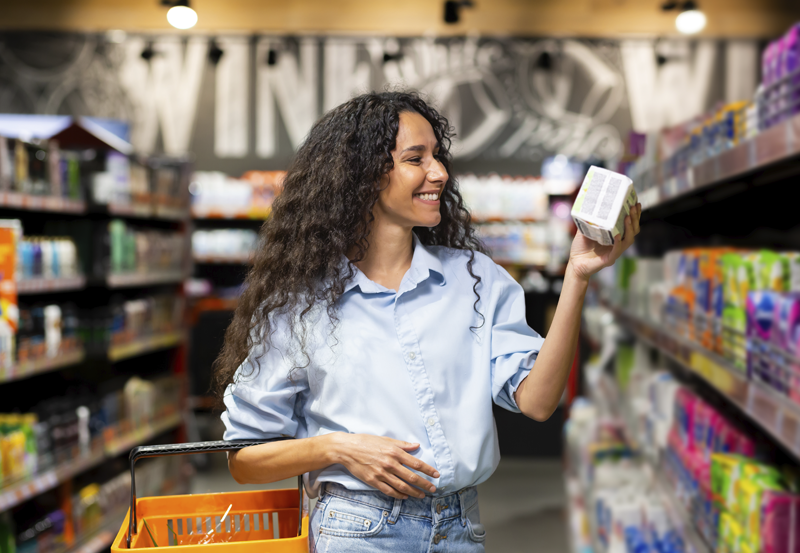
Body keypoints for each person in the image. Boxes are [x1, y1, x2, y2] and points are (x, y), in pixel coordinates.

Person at [214, 91, 641, 552]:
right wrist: (338, 447)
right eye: (415, 158)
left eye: (437, 156)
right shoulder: (300, 305)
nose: (438, 172)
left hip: (461, 528)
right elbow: (245, 458)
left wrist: (577, 275)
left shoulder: (475, 279)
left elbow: (537, 402)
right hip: (358, 530)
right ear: (362, 177)